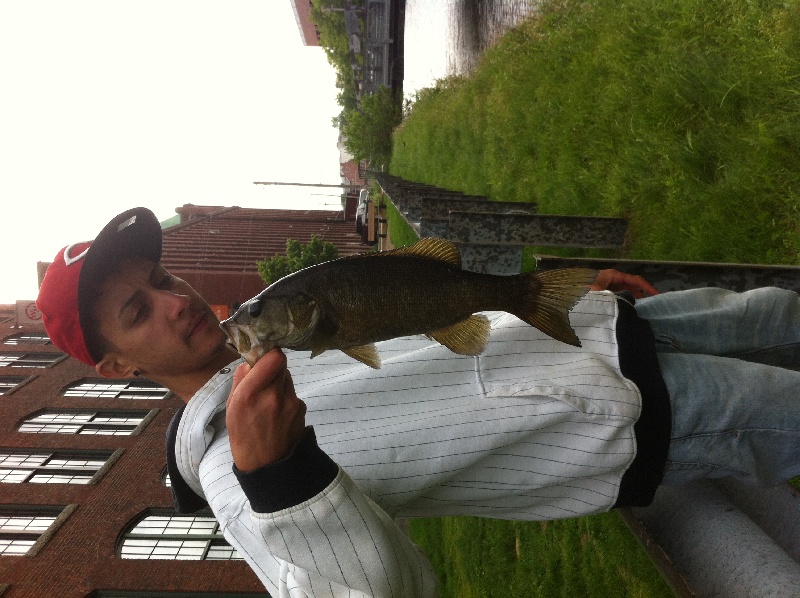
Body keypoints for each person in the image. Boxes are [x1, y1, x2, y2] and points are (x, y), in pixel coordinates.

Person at [36, 207, 800, 597]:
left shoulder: (289, 331)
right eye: (136, 312)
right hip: (624, 414)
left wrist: (562, 299)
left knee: (776, 312)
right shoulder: (241, 475)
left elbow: (423, 312)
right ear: (114, 363)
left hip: (601, 330)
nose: (171, 304)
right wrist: (285, 484)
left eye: (160, 282)